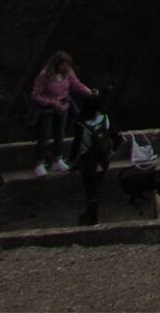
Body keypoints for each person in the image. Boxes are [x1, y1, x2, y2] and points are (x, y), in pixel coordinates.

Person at [30, 51, 96, 176]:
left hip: (63, 107)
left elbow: (76, 84)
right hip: (48, 109)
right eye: (62, 65)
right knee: (44, 135)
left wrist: (88, 92)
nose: (65, 68)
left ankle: (58, 159)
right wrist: (50, 102)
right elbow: (35, 95)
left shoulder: (68, 74)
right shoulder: (45, 76)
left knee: (60, 134)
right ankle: (40, 162)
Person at [68, 93, 124, 225]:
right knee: (95, 188)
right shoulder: (105, 119)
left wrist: (71, 160)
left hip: (87, 161)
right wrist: (112, 151)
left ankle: (93, 218)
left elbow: (77, 145)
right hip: (103, 160)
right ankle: (91, 215)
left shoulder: (82, 124)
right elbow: (117, 138)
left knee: (90, 190)